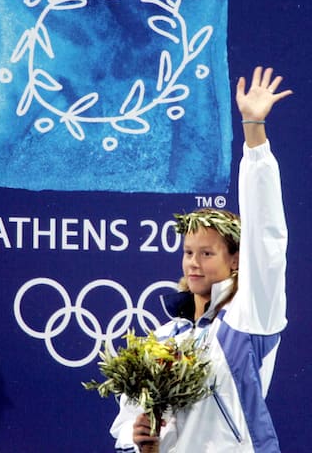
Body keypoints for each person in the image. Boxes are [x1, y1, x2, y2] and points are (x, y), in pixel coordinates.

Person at [110, 66, 292, 452]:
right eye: (188, 252)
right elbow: (128, 419)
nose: (193, 263)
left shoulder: (249, 318)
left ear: (236, 260)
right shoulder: (162, 338)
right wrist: (136, 436)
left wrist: (253, 135)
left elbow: (267, 238)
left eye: (207, 253)